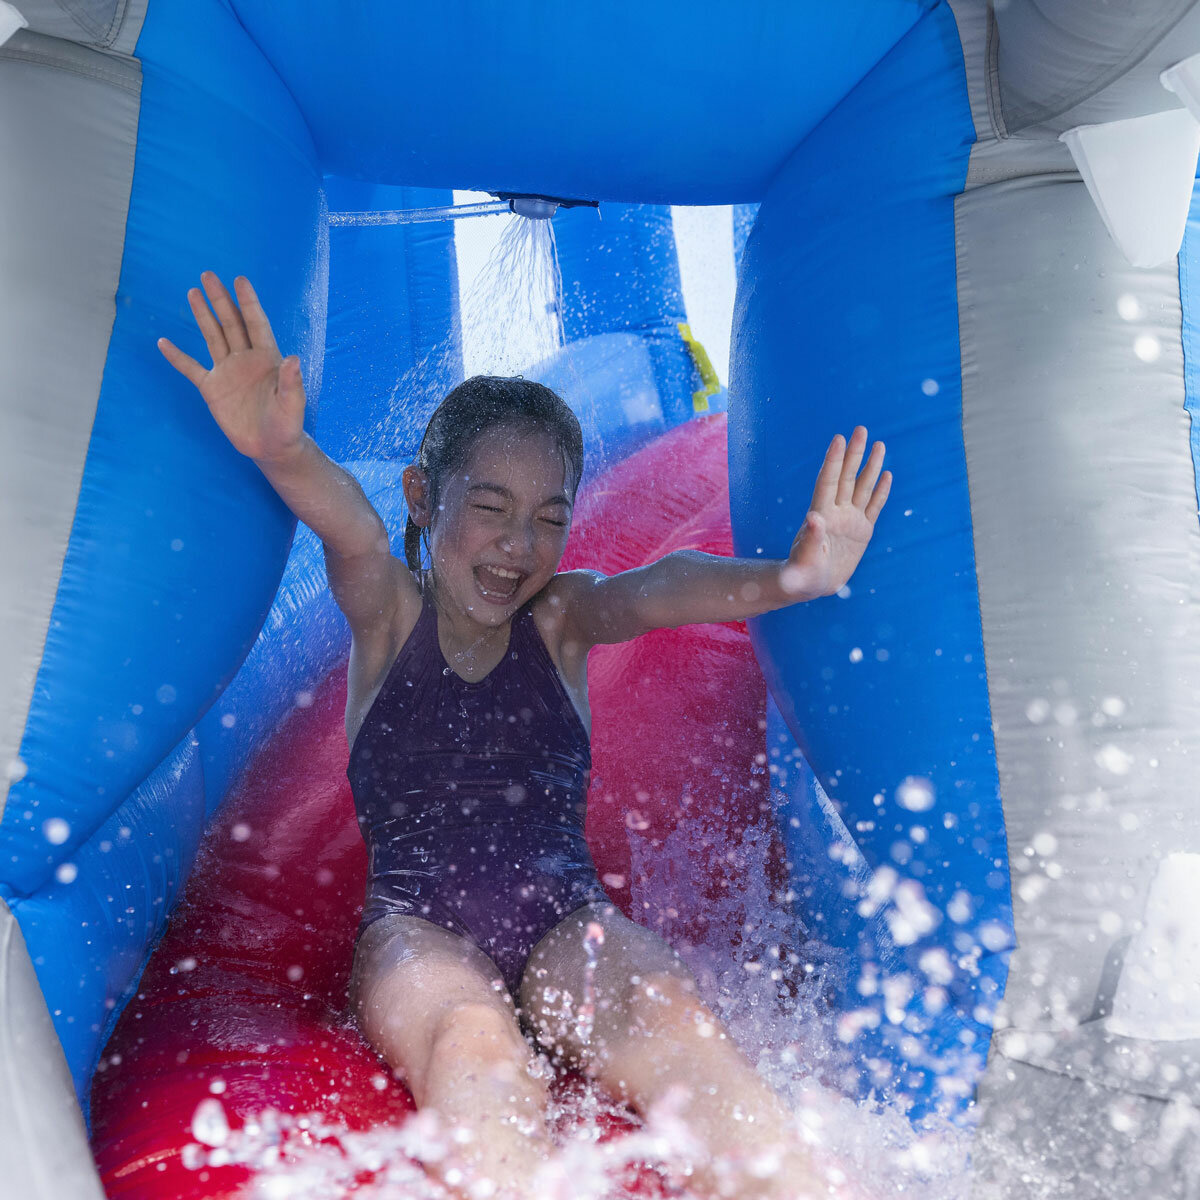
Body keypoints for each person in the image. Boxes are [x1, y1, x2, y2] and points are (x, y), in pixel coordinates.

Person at [158, 271, 892, 1200]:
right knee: (474, 1044)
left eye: (549, 520)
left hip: (564, 919)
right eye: (491, 509)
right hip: (415, 933)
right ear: (424, 497)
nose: (517, 546)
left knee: (678, 1029)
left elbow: (664, 584)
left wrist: (792, 579)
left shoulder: (564, 618)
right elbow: (345, 523)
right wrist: (282, 448)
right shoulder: (389, 612)